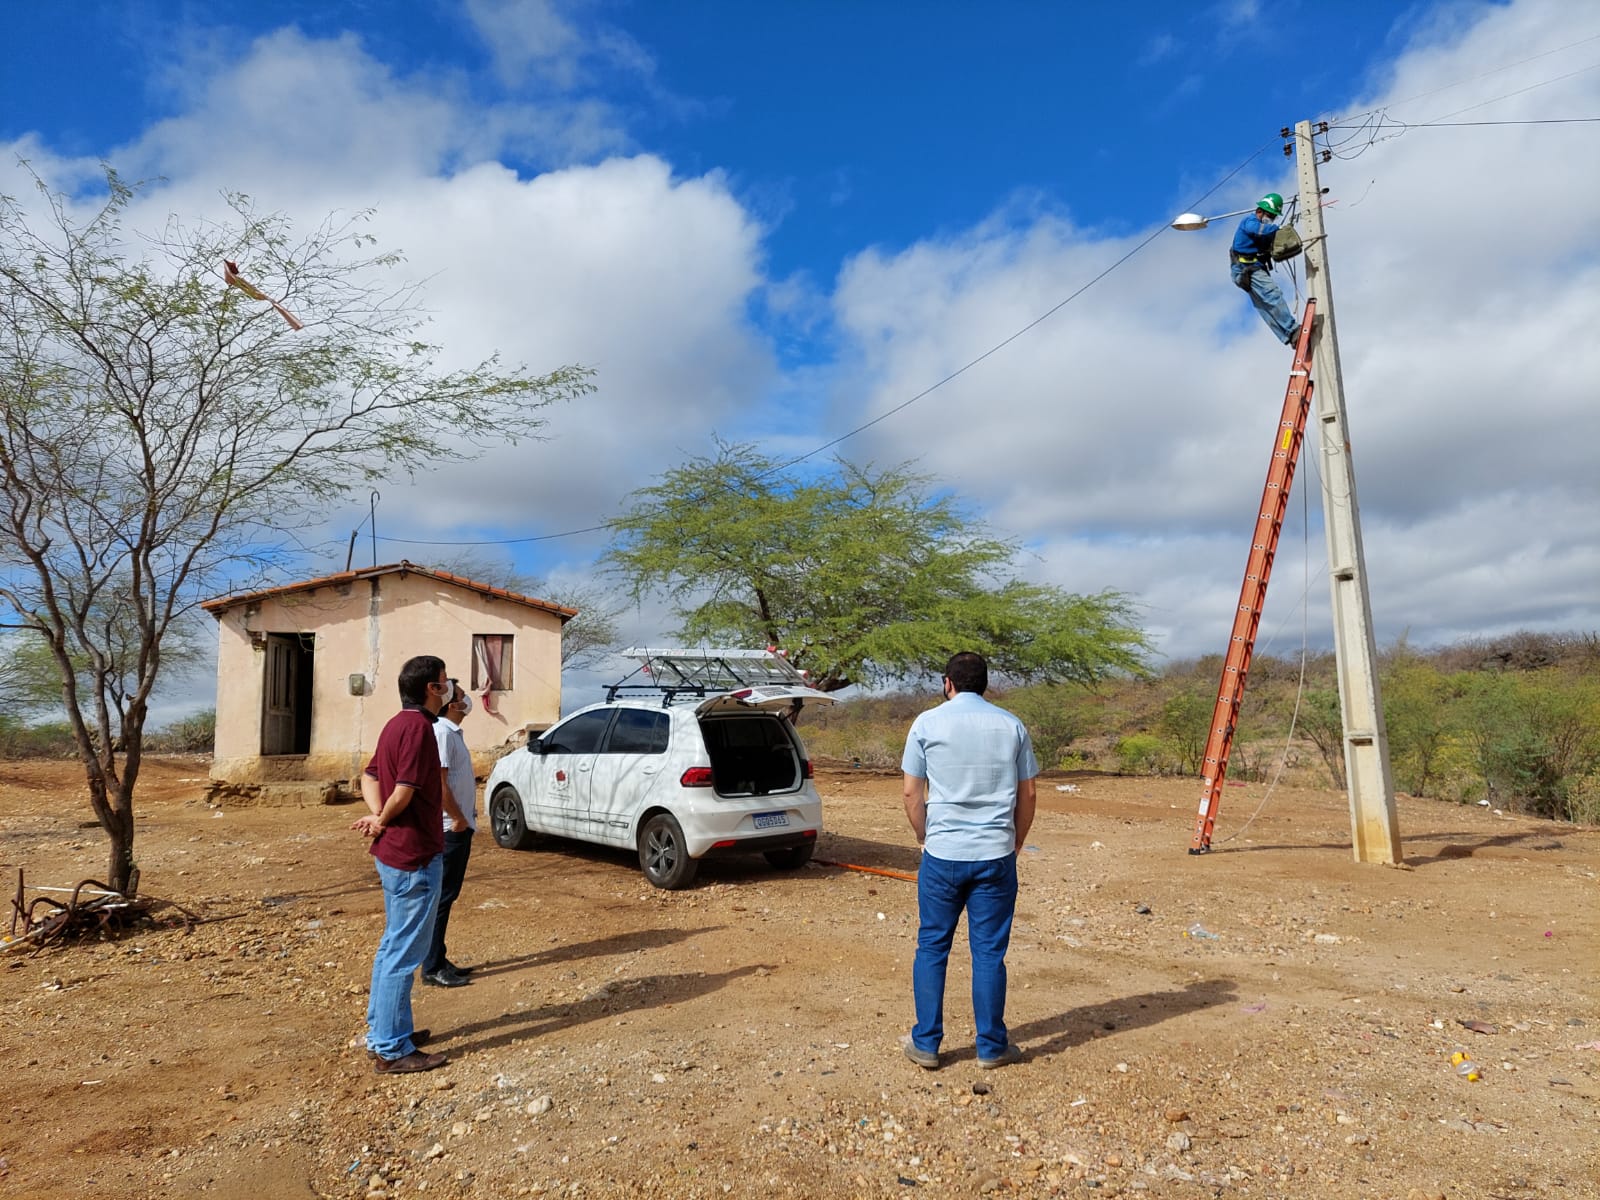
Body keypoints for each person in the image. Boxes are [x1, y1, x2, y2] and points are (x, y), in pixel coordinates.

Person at [900, 651, 1039, 1071]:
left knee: (932, 947)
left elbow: (911, 793)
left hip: (943, 855)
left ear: (948, 683)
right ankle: (992, 1046)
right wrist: (1014, 843)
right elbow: (1028, 795)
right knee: (989, 953)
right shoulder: (1011, 725)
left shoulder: (926, 724)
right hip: (995, 855)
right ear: (986, 684)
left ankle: (926, 1043)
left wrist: (925, 836)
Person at [352, 654, 452, 1074]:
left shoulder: (396, 725)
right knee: (403, 953)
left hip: (395, 854)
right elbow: (406, 789)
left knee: (392, 946)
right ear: (432, 687)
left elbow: (369, 776)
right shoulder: (417, 728)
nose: (448, 688)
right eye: (445, 681)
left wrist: (377, 817)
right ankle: (392, 1048)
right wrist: (384, 817)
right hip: (413, 855)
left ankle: (385, 1030)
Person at [421, 679, 477, 988]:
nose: (466, 699)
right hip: (449, 829)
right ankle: (431, 966)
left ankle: (438, 957)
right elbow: (439, 784)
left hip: (458, 826)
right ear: (453, 705)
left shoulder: (452, 734)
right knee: (442, 897)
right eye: (460, 696)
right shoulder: (442, 732)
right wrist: (457, 818)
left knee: (447, 895)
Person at [1231, 192, 1301, 348]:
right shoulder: (1250, 221)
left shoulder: (1264, 227)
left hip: (1251, 267)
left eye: (1274, 216)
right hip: (1245, 269)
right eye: (1270, 215)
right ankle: (1292, 329)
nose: (1272, 219)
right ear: (1259, 211)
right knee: (1272, 295)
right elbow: (1259, 230)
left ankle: (1289, 335)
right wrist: (1277, 228)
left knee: (1264, 305)